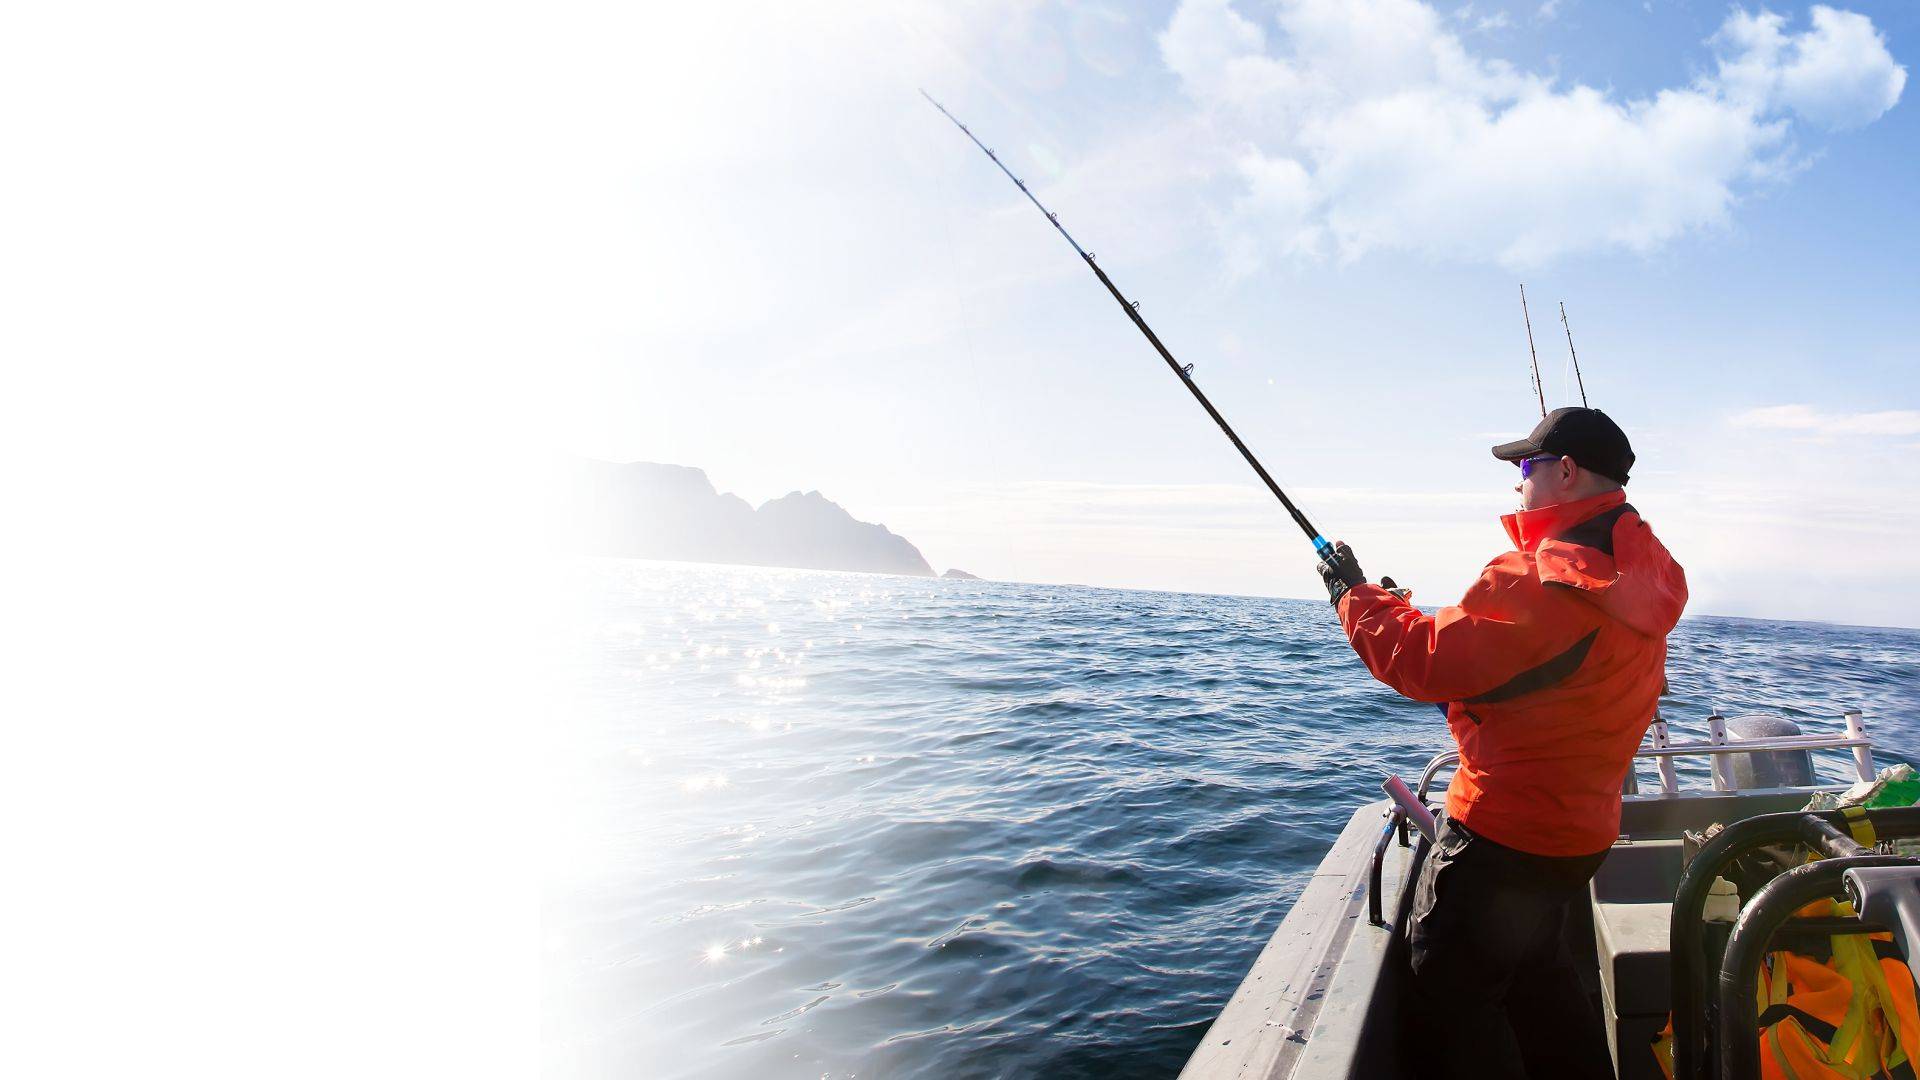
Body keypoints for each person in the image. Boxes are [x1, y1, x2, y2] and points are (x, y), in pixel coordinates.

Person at [1315, 406, 1688, 1079]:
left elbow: (1421, 661)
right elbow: (1543, 674)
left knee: (1450, 993)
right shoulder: (1642, 568)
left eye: (1527, 466)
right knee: (1538, 978)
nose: (1518, 482)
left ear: (1566, 471)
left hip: (1505, 837)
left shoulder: (1545, 576)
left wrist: (1354, 596)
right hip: (1578, 835)